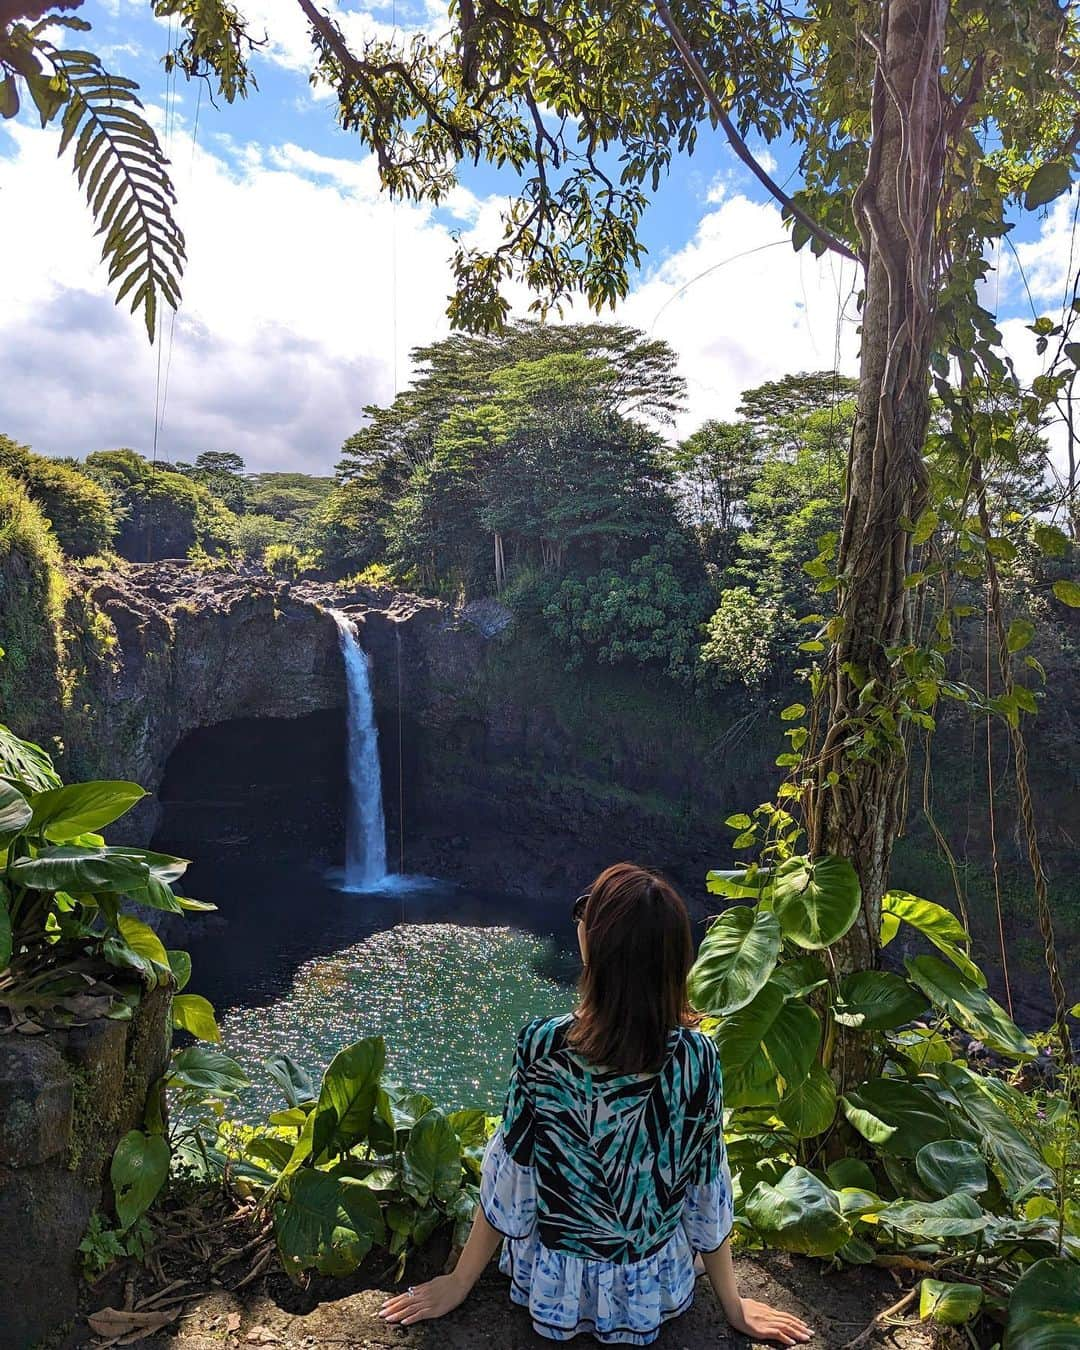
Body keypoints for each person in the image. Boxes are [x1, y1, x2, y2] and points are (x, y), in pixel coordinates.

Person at [380, 862, 813, 1346]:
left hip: (555, 1285)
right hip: (652, 1288)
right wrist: (732, 1304)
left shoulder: (544, 1047)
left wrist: (460, 1281)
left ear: (598, 948)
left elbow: (513, 1176)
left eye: (586, 913)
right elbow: (706, 1188)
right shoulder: (697, 1059)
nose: (579, 921)